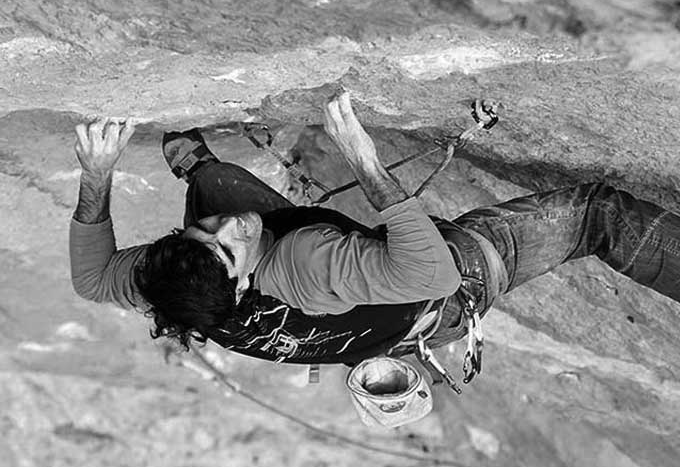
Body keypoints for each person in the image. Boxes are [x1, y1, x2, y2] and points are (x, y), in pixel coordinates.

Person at [70, 91, 680, 374]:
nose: (228, 228)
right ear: (239, 282)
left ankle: (202, 169)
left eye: (201, 232)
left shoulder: (181, 290)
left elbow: (93, 279)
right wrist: (363, 159)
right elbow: (433, 271)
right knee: (598, 216)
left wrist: (97, 175)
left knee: (219, 189)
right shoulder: (309, 262)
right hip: (448, 288)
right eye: (229, 247)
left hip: (385, 325)